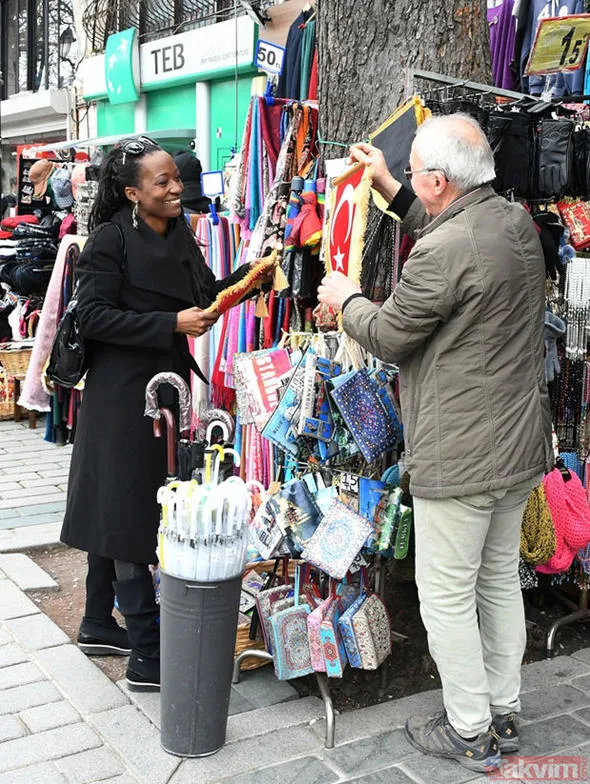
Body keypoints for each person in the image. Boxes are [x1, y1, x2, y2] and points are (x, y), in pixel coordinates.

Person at [317, 114, 552, 774]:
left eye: (417, 170)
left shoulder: (445, 251)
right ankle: (502, 710)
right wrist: (391, 187)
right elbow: (446, 233)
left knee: (446, 594)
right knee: (499, 581)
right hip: (515, 445)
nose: (412, 178)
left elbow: (389, 334)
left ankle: (472, 730)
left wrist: (347, 297)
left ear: (441, 181)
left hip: (464, 451)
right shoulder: (509, 222)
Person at [61, 136, 265, 691]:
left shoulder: (179, 234)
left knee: (122, 504)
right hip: (121, 396)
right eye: (163, 182)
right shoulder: (109, 240)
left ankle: (99, 621)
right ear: (132, 192)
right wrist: (169, 326)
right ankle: (148, 656)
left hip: (165, 389)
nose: (177, 188)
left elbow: (203, 296)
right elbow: (95, 318)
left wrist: (248, 281)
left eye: (177, 178)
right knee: (128, 514)